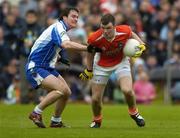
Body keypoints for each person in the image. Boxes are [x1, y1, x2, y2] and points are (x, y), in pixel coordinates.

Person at [79, 13, 146, 128]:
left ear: (115, 26)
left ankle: (134, 113)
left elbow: (132, 34)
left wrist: (141, 43)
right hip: (101, 65)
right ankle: (97, 120)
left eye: (108, 28)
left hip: (121, 62)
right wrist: (89, 69)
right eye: (103, 28)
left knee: (127, 91)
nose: (105, 31)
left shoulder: (124, 30)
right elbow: (89, 54)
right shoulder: (94, 38)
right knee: (95, 99)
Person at [26, 7, 88, 128]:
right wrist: (87, 48)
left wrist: (59, 58)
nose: (76, 19)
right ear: (64, 17)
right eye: (73, 16)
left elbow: (47, 45)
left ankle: (56, 121)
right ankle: (36, 113)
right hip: (36, 67)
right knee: (60, 90)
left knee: (67, 92)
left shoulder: (59, 28)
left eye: (77, 17)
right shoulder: (58, 27)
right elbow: (66, 44)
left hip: (46, 67)